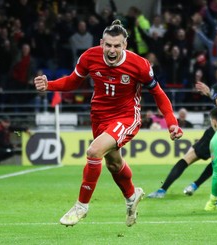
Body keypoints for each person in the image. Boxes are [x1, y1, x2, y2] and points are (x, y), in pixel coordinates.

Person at [33, 20, 183, 227]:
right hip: (99, 116)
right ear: (102, 43)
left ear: (125, 46)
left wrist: (172, 123)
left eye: (117, 46)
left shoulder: (139, 65)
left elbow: (158, 94)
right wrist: (49, 85)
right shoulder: (89, 57)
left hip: (126, 116)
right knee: (113, 164)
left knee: (94, 152)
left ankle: (81, 206)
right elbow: (72, 81)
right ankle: (131, 196)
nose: (112, 50)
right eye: (108, 45)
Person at [148, 60, 217, 198]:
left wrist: (211, 94)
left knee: (189, 158)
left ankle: (162, 190)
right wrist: (211, 94)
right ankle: (195, 185)